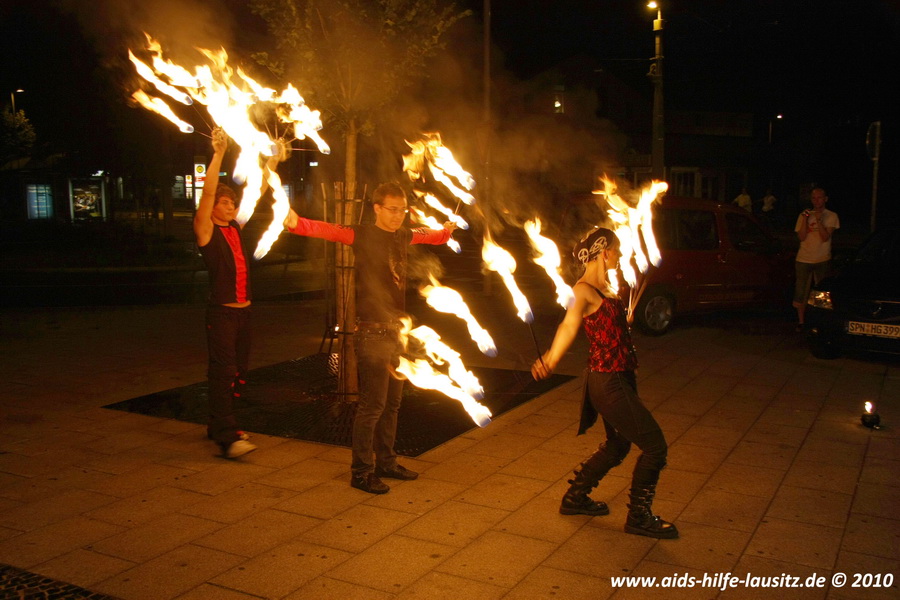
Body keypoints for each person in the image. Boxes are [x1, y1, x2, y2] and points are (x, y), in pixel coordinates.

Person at [284, 182, 455, 494]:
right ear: (377, 208)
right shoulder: (361, 234)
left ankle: (386, 462)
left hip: (398, 334)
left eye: (402, 210)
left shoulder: (403, 235)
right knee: (372, 406)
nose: (398, 216)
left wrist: (445, 231)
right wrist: (297, 223)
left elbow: (429, 235)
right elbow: (328, 230)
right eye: (392, 209)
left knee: (392, 404)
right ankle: (361, 472)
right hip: (372, 333)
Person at [531, 228, 678, 539]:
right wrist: (550, 359)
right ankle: (639, 517)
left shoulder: (608, 288)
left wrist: (623, 324)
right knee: (655, 447)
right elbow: (568, 326)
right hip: (608, 381)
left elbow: (609, 329)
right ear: (604, 252)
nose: (620, 255)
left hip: (620, 377)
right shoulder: (582, 290)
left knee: (618, 444)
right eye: (617, 249)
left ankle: (575, 498)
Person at [193, 128, 259, 459]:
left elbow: (255, 194)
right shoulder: (206, 230)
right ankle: (227, 435)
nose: (231, 206)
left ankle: (218, 423)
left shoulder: (234, 227)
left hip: (243, 313)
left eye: (232, 202)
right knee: (223, 371)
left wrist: (270, 165)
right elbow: (206, 195)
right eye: (224, 202)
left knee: (239, 372)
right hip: (222, 313)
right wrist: (218, 153)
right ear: (212, 207)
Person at [793, 187, 839, 329]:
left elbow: (825, 237)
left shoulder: (831, 216)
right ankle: (801, 322)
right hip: (804, 259)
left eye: (819, 198)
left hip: (822, 259)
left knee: (821, 294)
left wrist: (819, 220)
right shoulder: (804, 215)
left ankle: (821, 322)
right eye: (814, 198)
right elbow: (801, 237)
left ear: (825, 199)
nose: (816, 201)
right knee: (801, 292)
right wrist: (805, 219)